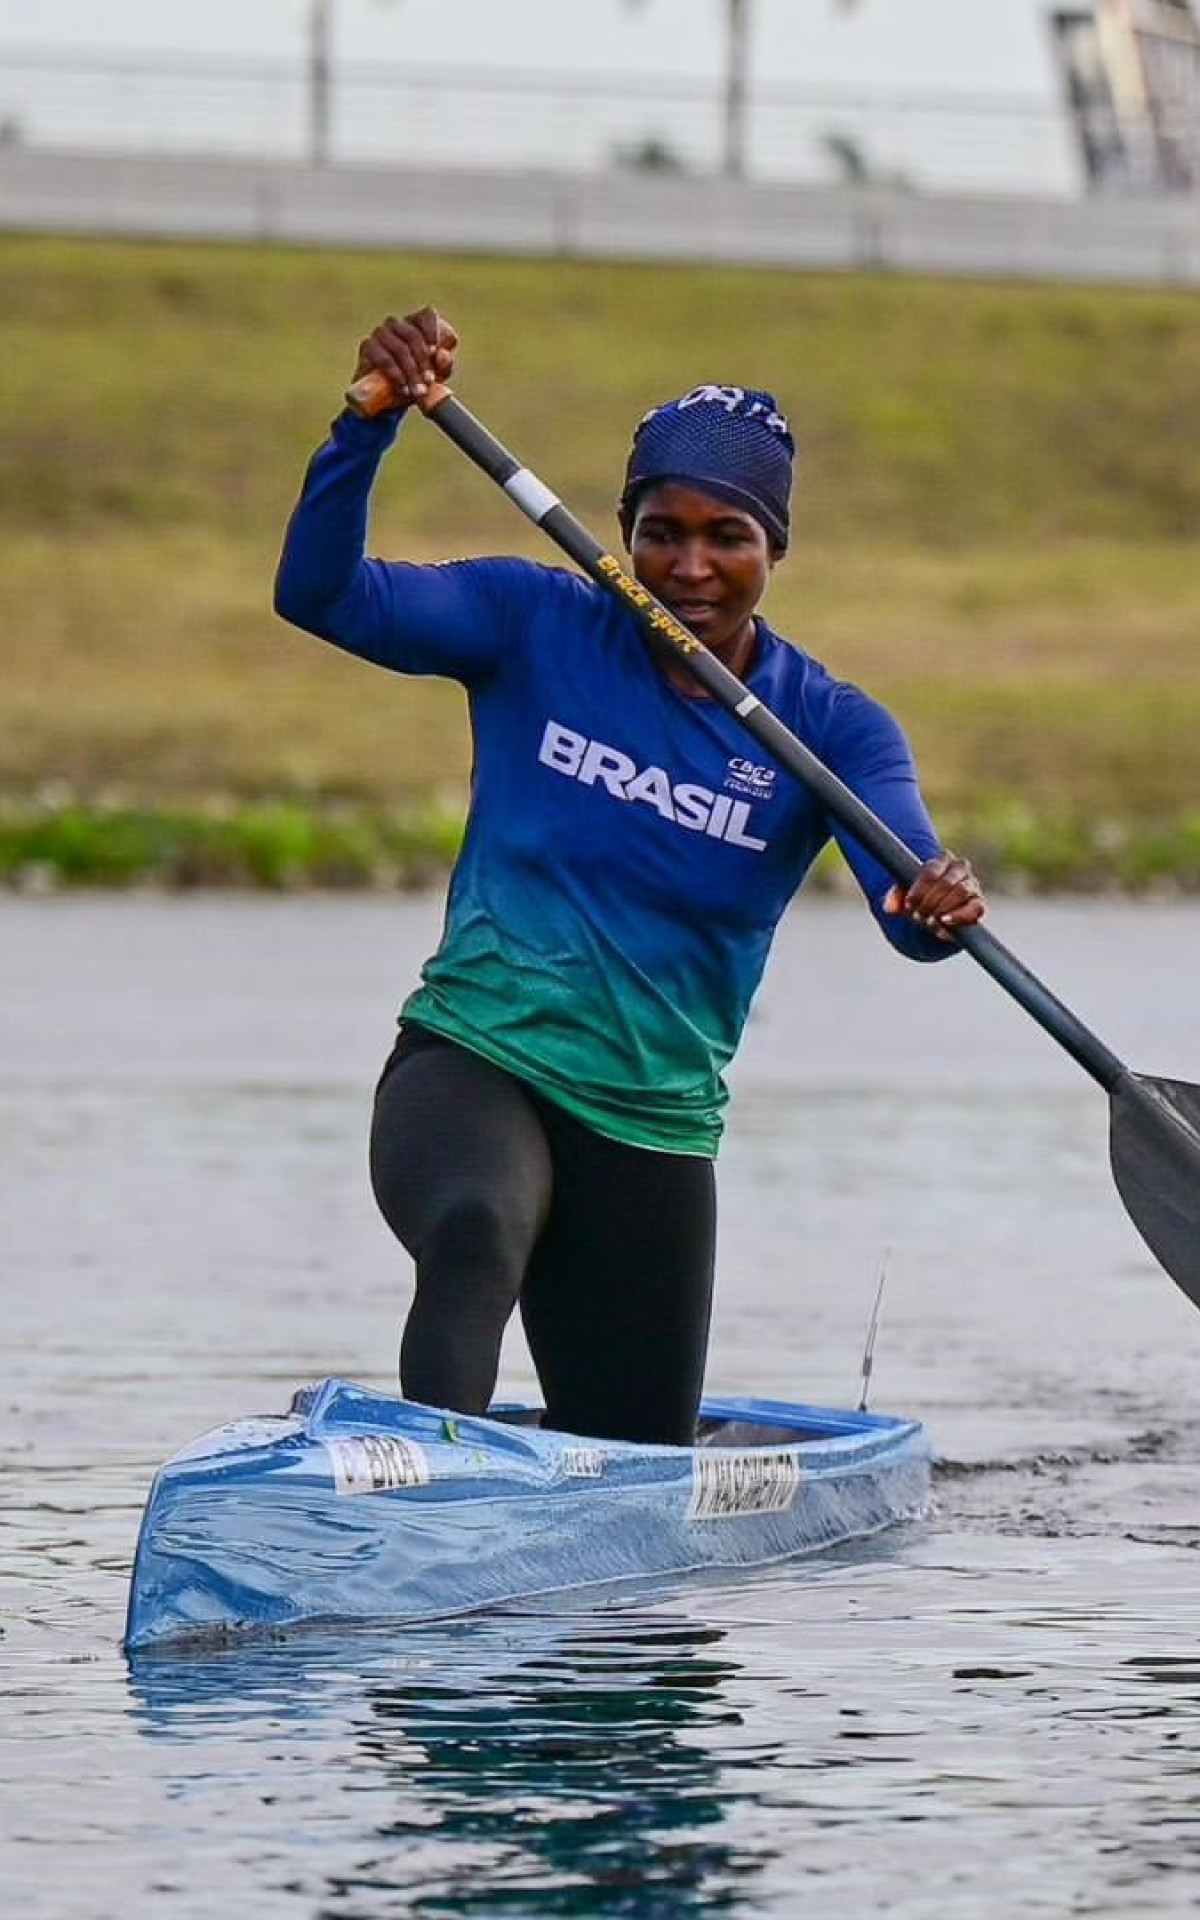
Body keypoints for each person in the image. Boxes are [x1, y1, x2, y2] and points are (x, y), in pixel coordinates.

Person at [274, 305, 987, 1447]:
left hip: (650, 1130)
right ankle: (427, 1483)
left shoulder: (832, 730)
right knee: (475, 1229)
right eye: (662, 533)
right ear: (620, 534)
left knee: (633, 1446)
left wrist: (938, 903)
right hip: (475, 1062)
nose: (691, 568)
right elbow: (323, 597)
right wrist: (364, 428)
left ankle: (546, 1487)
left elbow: (908, 912)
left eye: (728, 537)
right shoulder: (531, 621)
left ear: (775, 551)